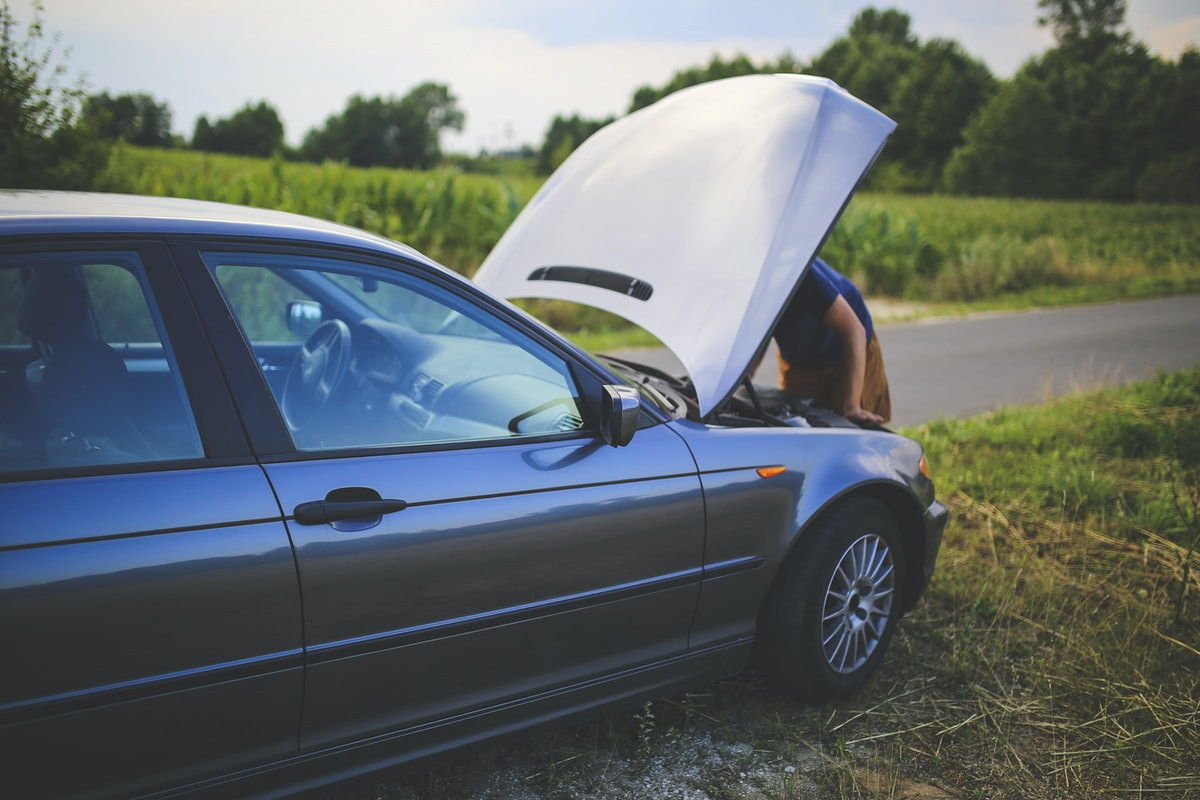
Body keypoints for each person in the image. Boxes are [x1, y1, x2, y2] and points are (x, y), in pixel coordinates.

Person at [771, 258, 891, 426]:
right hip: (799, 357)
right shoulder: (742, 286)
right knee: (799, 427)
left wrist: (852, 406)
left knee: (854, 427)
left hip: (849, 347)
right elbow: (755, 339)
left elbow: (854, 331)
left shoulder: (798, 272)